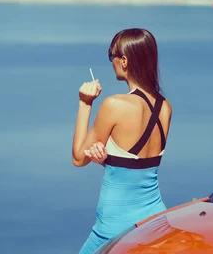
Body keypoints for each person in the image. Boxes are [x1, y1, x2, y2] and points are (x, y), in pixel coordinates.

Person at [72, 28, 173, 254]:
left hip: (114, 229)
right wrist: (105, 159)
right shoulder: (165, 107)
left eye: (112, 56)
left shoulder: (114, 104)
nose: (112, 62)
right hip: (155, 222)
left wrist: (85, 103)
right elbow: (134, 162)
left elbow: (78, 157)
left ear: (124, 60)